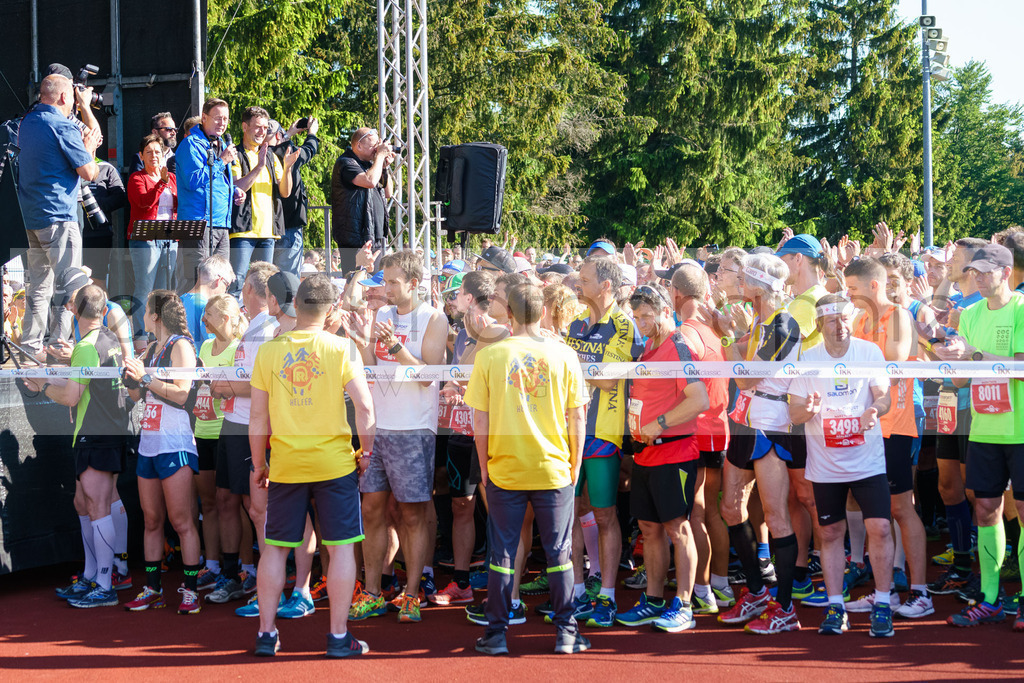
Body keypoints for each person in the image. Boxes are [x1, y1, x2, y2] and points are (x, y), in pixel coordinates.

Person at [249, 274, 376, 657]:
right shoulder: (341, 348)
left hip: (286, 463)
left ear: (295, 305)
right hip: (334, 463)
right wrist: (366, 453)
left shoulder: (269, 352)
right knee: (340, 549)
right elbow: (366, 410)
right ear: (331, 309)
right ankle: (338, 637)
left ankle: (266, 634)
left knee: (274, 548)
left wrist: (259, 464)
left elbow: (258, 419)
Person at [466, 283, 591, 656]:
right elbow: (578, 417)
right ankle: (567, 632)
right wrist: (575, 461)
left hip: (506, 466)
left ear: (510, 313)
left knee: (502, 551)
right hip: (554, 467)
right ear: (543, 313)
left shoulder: (491, 355)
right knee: (559, 552)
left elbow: (480, 420)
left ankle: (496, 633)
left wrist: (485, 463)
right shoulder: (565, 355)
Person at [347, 250, 448, 623]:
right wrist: (361, 344)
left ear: (414, 284)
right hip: (379, 428)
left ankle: (411, 594)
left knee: (412, 514)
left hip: (414, 429)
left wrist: (395, 346)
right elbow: (374, 369)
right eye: (384, 281)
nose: (386, 289)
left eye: (392, 282)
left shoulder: (433, 319)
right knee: (371, 509)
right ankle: (373, 591)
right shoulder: (382, 314)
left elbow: (427, 375)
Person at [787, 294, 896, 637]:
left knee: (879, 527)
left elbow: (884, 395)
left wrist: (875, 410)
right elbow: (793, 414)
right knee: (831, 533)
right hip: (827, 465)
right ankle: (835, 606)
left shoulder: (868, 353)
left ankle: (881, 603)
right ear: (820, 325)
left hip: (867, 461)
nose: (840, 326)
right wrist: (810, 410)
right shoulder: (809, 359)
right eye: (832, 320)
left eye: (845, 319)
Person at [934, 243, 1024, 629]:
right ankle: (990, 597)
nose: (980, 276)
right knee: (986, 510)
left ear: (1006, 272)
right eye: (976, 270)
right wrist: (942, 352)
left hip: (1020, 431)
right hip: (985, 428)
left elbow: (1020, 367)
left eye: (987, 271)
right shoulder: (967, 314)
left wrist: (971, 355)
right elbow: (960, 378)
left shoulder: (1021, 310)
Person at [614, 282, 709, 633]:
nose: (640, 323)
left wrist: (660, 423)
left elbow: (699, 399)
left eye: (647, 316)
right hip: (644, 454)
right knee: (649, 528)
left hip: (675, 452)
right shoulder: (649, 348)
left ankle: (683, 604)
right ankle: (654, 600)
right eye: (636, 316)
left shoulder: (678, 346)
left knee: (676, 528)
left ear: (665, 311)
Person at [27, 285, 129, 608]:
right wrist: (48, 375)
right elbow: (79, 383)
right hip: (105, 433)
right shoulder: (108, 341)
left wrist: (43, 384)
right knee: (85, 503)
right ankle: (97, 574)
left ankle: (104, 583)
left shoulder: (87, 347)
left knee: (97, 506)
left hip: (95, 435)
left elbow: (71, 396)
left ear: (76, 311)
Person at [717, 253, 802, 634]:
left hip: (769, 423)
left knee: (775, 515)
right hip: (743, 419)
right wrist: (732, 337)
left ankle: (785, 608)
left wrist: (733, 338)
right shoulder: (760, 320)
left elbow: (748, 377)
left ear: (761, 282)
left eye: (745, 275)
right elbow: (737, 367)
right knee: (731, 508)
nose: (738, 280)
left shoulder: (784, 322)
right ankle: (755, 592)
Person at [846, 257, 932, 618]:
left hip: (895, 423)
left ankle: (920, 592)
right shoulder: (861, 318)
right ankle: (887, 591)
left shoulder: (898, 316)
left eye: (853, 289)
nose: (848, 296)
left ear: (874, 286)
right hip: (867, 425)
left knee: (901, 508)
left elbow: (893, 363)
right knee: (876, 510)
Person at [565, 255, 644, 627]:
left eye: (583, 279)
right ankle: (578, 590)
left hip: (602, 432)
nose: (577, 284)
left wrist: (573, 371)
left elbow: (608, 379)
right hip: (568, 429)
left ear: (606, 286)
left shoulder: (624, 325)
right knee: (574, 511)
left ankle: (608, 595)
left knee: (604, 514)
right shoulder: (576, 323)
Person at [122, 290, 203, 615]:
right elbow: (134, 397)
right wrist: (131, 379)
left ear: (156, 315)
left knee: (182, 521)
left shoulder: (180, 345)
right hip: (150, 441)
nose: (141, 317)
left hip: (175, 441)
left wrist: (146, 378)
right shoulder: (152, 348)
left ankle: (191, 591)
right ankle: (153, 589)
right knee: (152, 519)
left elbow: (183, 394)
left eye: (146, 311)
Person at [207, 262, 280, 609]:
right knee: (227, 500)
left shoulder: (269, 331)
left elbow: (263, 384)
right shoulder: (252, 329)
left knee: (256, 507)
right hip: (233, 424)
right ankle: (237, 572)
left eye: (243, 289)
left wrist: (225, 388)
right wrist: (226, 387)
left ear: (251, 291)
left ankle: (263, 578)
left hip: (253, 427)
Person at [432, 270, 505, 607]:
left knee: (499, 510)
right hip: (462, 430)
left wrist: (478, 338)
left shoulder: (499, 333)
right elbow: (458, 374)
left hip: (492, 433)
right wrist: (452, 385)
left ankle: (505, 584)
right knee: (462, 505)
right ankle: (461, 582)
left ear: (471, 298)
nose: (454, 299)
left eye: (459, 293)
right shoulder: (463, 333)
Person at [16, 73, 100, 357]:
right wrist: (87, 149)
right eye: (73, 100)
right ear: (65, 97)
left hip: (30, 218)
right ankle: (60, 347)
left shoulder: (26, 124)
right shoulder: (62, 125)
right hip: (59, 217)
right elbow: (90, 172)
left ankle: (30, 348)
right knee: (71, 286)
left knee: (39, 287)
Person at [672, 263, 734, 613]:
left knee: (694, 515)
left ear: (676, 294)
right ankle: (718, 585)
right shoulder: (715, 330)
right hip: (717, 430)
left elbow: (683, 392)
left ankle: (703, 589)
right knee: (713, 513)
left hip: (695, 432)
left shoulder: (685, 335)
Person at [193, 294, 246, 591]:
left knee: (234, 504)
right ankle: (212, 564)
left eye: (209, 315)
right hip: (203, 429)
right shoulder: (203, 346)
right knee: (210, 503)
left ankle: (244, 566)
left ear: (226, 318)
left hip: (226, 429)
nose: (203, 321)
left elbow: (236, 387)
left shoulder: (239, 348)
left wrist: (221, 388)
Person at [229, 107, 301, 292]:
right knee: (237, 283)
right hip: (243, 232)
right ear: (245, 127)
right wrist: (259, 166)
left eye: (265, 128)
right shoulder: (234, 154)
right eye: (257, 127)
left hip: (268, 232)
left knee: (263, 287)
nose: (262, 132)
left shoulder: (270, 155)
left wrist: (287, 168)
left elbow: (285, 192)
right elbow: (238, 187)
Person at [175, 98, 237, 293]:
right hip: (197, 223)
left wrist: (235, 191)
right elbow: (192, 181)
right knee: (197, 282)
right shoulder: (190, 144)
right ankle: (187, 322)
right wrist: (222, 161)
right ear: (204, 117)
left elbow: (216, 183)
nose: (222, 123)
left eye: (225, 119)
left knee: (221, 282)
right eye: (217, 118)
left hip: (221, 223)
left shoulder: (219, 146)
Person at [127, 134, 179, 346]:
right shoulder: (137, 178)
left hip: (169, 239)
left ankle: (161, 333)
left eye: (157, 151)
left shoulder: (172, 178)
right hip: (145, 239)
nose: (154, 156)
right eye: (148, 152)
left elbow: (178, 205)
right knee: (145, 288)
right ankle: (140, 334)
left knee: (164, 289)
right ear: (141, 156)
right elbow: (143, 203)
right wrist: (160, 184)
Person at [331, 127, 395, 273]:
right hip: (354, 237)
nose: (376, 149)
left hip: (374, 234)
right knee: (355, 282)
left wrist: (384, 167)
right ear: (359, 145)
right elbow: (369, 181)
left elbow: (388, 192)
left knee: (374, 284)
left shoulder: (371, 165)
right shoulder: (346, 162)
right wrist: (379, 157)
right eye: (373, 145)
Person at [269, 118, 320, 277]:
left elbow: (274, 141)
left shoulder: (257, 153)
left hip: (266, 229)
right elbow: (308, 151)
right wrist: (312, 134)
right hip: (288, 225)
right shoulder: (286, 151)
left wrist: (289, 133)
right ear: (278, 136)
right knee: (288, 281)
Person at [180, 255, 234, 346]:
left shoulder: (178, 300)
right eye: (227, 285)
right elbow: (216, 346)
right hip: (199, 359)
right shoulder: (206, 308)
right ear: (219, 280)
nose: (225, 291)